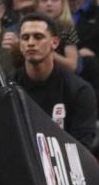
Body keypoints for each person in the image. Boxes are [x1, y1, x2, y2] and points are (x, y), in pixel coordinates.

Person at [13, 13, 97, 149]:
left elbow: (83, 146)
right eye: (25, 38)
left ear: (55, 42)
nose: (31, 43)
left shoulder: (79, 90)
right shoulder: (9, 87)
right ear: (20, 44)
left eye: (38, 37)